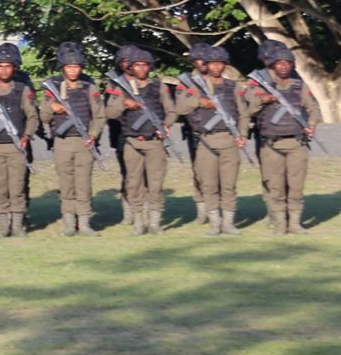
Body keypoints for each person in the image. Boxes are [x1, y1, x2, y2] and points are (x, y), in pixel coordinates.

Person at [244, 40, 323, 235]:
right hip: (271, 144)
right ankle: (279, 224)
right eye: (279, 63)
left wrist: (312, 124)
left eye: (287, 63)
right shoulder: (257, 83)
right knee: (275, 186)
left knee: (296, 186)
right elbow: (247, 110)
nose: (283, 66)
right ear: (272, 64)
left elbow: (313, 108)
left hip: (296, 142)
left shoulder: (299, 84)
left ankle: (294, 223)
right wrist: (262, 100)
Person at [172, 45, 246, 236]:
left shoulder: (233, 86)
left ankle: (228, 223)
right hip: (205, 140)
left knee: (228, 185)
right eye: (212, 63)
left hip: (229, 140)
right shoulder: (194, 86)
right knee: (208, 184)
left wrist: (242, 135)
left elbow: (243, 113)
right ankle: (214, 222)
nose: (216, 67)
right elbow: (180, 108)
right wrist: (199, 101)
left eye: (220, 63)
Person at [104, 46, 177, 235]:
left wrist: (166, 125)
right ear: (131, 67)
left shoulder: (159, 86)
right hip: (132, 142)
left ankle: (155, 223)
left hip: (155, 142)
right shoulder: (121, 87)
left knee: (156, 183)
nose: (141, 68)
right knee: (133, 183)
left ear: (150, 67)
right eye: (137, 65)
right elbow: (109, 112)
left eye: (145, 65)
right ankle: (138, 222)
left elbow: (171, 111)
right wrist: (124, 103)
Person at [38, 42, 107, 237]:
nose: (73, 70)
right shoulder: (52, 87)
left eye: (76, 66)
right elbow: (43, 117)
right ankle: (69, 224)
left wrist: (93, 135)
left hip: (84, 142)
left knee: (84, 185)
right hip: (62, 142)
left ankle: (84, 223)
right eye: (69, 67)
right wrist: (52, 107)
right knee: (66, 185)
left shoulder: (89, 86)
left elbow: (99, 116)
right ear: (62, 67)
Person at [0, 43, 39, 238]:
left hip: (17, 146)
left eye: (7, 66)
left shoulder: (22, 89)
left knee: (17, 188)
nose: (3, 70)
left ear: (14, 68)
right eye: (0, 66)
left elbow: (33, 116)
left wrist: (26, 136)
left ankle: (17, 225)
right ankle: (3, 226)